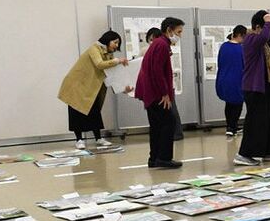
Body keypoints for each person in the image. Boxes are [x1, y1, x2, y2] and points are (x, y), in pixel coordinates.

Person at [58, 30, 128, 149]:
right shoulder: (94, 48)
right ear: (107, 40)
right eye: (115, 42)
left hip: (90, 86)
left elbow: (110, 73)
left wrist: (123, 87)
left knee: (94, 111)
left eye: (118, 43)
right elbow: (99, 64)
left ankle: (98, 138)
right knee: (76, 112)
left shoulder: (109, 54)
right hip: (77, 84)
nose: (116, 46)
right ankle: (79, 140)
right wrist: (117, 61)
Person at [235, 10, 270, 166]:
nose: (268, 31)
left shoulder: (263, 43)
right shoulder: (251, 39)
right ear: (258, 26)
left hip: (266, 85)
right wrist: (268, 23)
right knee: (254, 121)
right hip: (254, 87)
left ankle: (269, 151)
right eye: (266, 27)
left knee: (269, 120)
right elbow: (264, 36)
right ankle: (244, 154)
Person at [134, 17, 183, 169]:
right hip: (156, 93)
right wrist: (164, 93)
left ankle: (154, 158)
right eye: (178, 32)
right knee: (169, 122)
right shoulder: (162, 44)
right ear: (169, 30)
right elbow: (157, 71)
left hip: (150, 91)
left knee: (156, 126)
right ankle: (164, 158)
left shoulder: (158, 43)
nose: (180, 35)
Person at [145, 27, 184, 141]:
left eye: (154, 39)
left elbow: (161, 70)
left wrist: (165, 90)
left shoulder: (164, 48)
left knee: (171, 111)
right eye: (150, 39)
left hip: (165, 86)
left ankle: (177, 133)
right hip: (156, 87)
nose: (152, 42)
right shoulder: (150, 49)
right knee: (162, 115)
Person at [216, 24, 247, 137]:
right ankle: (232, 127)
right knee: (237, 104)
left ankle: (230, 125)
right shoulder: (240, 49)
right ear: (239, 35)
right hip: (237, 79)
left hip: (223, 79)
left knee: (229, 103)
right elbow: (245, 66)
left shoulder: (223, 46)